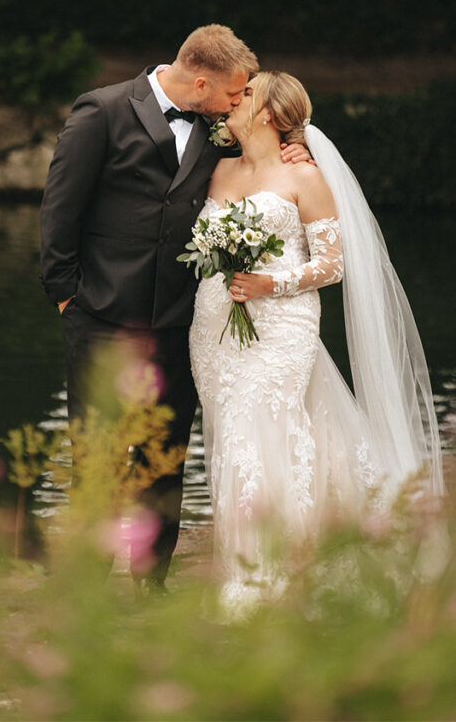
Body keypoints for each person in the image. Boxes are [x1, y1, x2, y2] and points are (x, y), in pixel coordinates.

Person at [39, 26, 310, 592]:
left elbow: (265, 160)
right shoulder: (103, 111)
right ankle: (85, 590)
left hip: (184, 321)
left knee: (166, 453)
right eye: (234, 95)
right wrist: (67, 297)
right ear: (203, 81)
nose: (239, 104)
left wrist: (295, 146)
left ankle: (150, 582)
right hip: (101, 317)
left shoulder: (220, 127)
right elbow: (60, 210)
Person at [189, 71, 444, 608]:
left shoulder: (304, 178)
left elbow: (333, 265)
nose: (232, 102)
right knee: (230, 438)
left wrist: (268, 283)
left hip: (282, 327)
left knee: (263, 436)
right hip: (213, 325)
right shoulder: (215, 169)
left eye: (246, 95)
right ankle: (250, 561)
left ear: (270, 115)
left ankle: (271, 577)